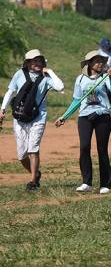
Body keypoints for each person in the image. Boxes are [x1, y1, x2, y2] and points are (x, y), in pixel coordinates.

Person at [54, 50, 111, 194]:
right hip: (84, 116)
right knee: (84, 147)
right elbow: (77, 101)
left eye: (102, 61)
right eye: (97, 61)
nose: (100, 64)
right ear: (89, 64)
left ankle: (105, 184)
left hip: (103, 115)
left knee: (102, 149)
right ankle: (86, 182)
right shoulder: (80, 79)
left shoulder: (106, 76)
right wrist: (64, 117)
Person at [0, 49, 64, 191]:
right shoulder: (19, 74)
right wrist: (2, 109)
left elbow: (61, 87)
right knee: (22, 155)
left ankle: (33, 181)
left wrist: (50, 71)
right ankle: (36, 174)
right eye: (35, 61)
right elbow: (10, 91)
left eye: (40, 61)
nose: (38, 63)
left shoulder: (46, 78)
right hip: (20, 116)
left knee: (32, 148)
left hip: (38, 117)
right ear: (28, 63)